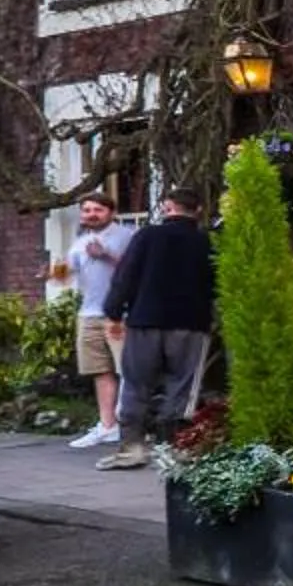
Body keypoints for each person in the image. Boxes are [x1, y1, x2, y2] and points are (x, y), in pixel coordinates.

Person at [98, 186, 214, 471]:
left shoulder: (147, 236)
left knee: (136, 383)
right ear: (197, 210)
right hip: (190, 324)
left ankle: (132, 448)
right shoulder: (205, 242)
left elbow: (126, 274)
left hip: (145, 321)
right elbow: (214, 284)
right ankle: (176, 448)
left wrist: (113, 310)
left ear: (167, 207)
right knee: (182, 387)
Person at [47, 193, 136, 447]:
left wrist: (106, 255)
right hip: (88, 313)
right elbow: (66, 276)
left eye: (97, 210)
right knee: (100, 370)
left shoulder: (127, 236)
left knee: (128, 371)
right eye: (86, 210)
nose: (90, 215)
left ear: (111, 212)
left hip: (120, 313)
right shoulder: (80, 241)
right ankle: (107, 427)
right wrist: (52, 275)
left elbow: (138, 271)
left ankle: (131, 428)